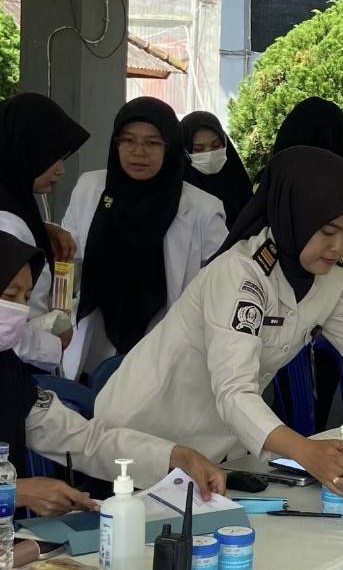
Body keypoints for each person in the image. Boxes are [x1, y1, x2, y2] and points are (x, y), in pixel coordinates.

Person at [94, 147, 343, 496]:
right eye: (327, 231)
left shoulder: (324, 279)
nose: (338, 246)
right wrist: (305, 452)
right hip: (139, 440)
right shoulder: (241, 276)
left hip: (207, 449)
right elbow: (234, 391)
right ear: (295, 216)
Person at [0, 231, 226, 516]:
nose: (18, 309)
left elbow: (85, 440)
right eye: (9, 296)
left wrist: (176, 456)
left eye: (26, 298)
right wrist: (16, 491)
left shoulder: (8, 373)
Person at [61, 97, 228, 381]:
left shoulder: (203, 209)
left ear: (170, 146)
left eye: (152, 143)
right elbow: (69, 259)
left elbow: (221, 285)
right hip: (94, 348)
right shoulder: (90, 189)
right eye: (128, 140)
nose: (138, 152)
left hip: (166, 355)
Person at [271, 97, 343, 429]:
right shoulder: (339, 183)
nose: (336, 244)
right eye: (328, 231)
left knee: (291, 406)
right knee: (304, 410)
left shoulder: (272, 179)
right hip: (303, 309)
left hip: (298, 307)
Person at [0, 93, 90, 371]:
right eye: (53, 157)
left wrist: (43, 230)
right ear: (25, 150)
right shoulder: (7, 223)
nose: (60, 170)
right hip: (17, 368)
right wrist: (54, 343)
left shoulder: (16, 205)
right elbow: (4, 329)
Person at [180, 111, 253, 228]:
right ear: (185, 151)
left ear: (225, 143)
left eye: (216, 145)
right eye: (198, 149)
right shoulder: (180, 194)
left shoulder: (238, 182)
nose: (209, 153)